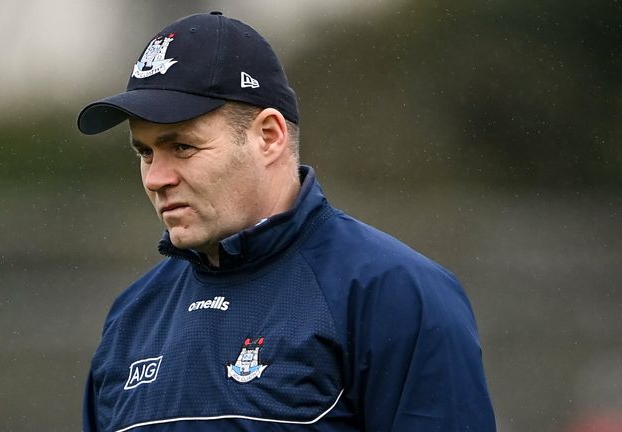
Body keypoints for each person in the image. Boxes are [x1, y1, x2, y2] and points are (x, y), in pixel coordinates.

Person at [77, 11, 496, 432]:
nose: (156, 178)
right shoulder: (130, 319)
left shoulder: (396, 295)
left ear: (269, 136)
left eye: (183, 147)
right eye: (145, 153)